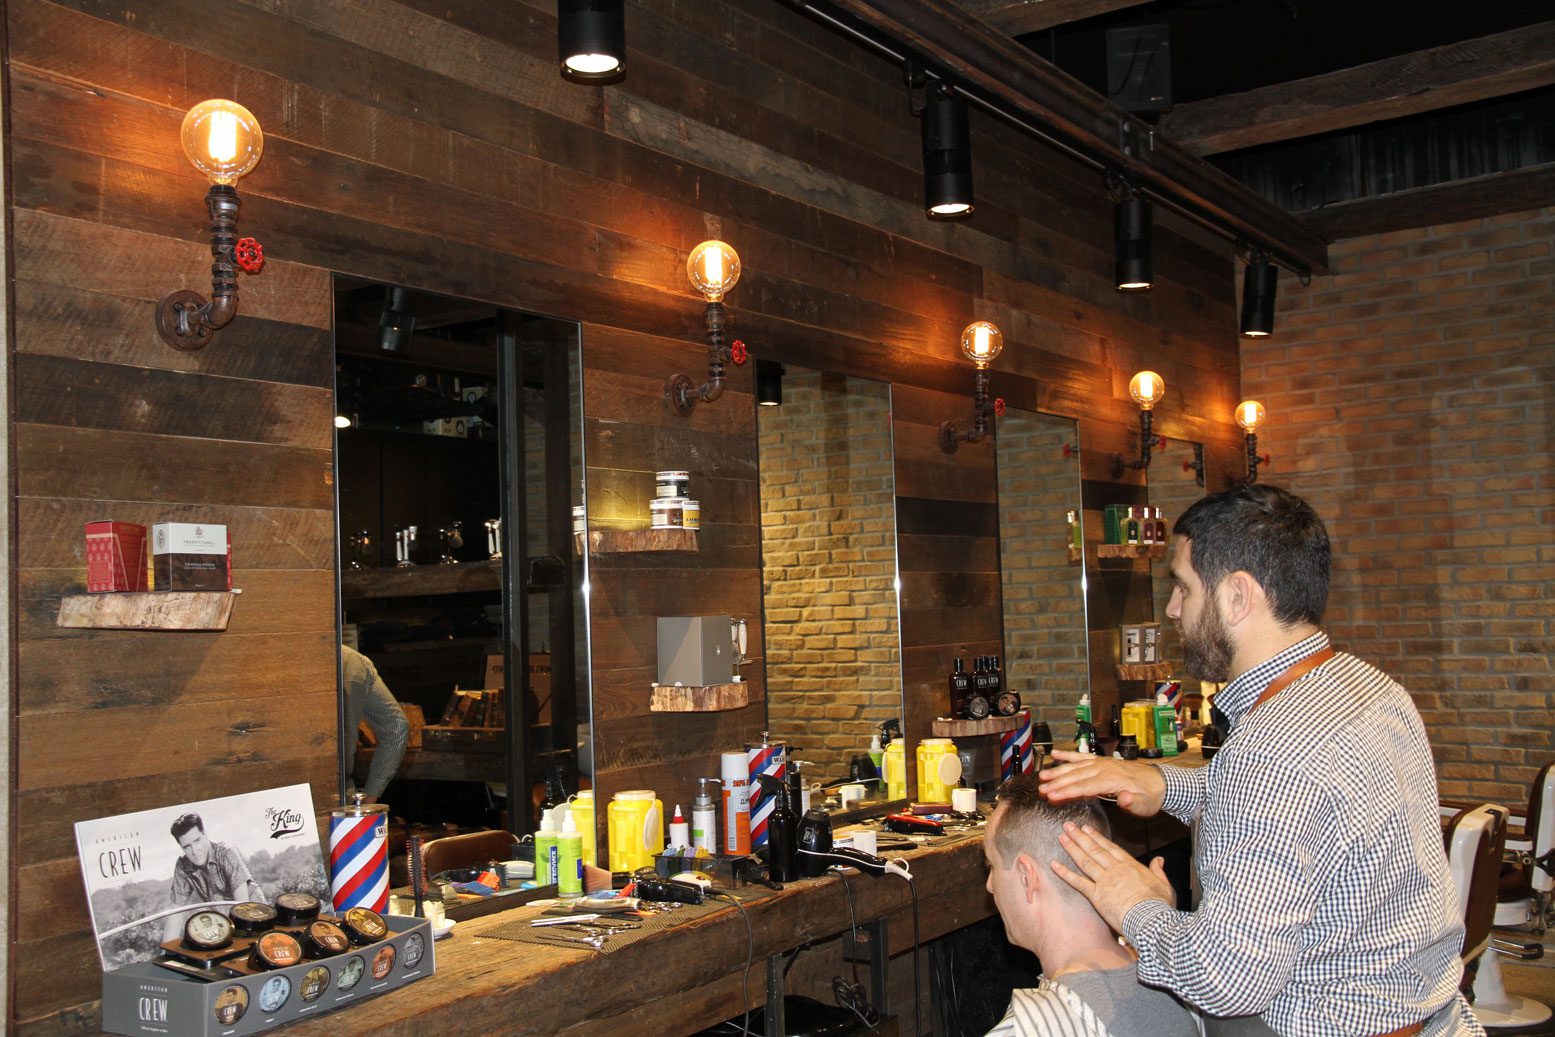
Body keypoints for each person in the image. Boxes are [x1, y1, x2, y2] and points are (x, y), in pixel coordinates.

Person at [1040, 484, 1481, 1036]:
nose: (1173, 609)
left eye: (1182, 587)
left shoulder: (1272, 751)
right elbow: (1306, 812)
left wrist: (1137, 907)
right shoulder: (1369, 688)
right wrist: (1160, 781)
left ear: (1237, 596)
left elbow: (1226, 978)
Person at [983, 773, 1198, 1037]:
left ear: (1027, 877)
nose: (990, 885)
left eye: (992, 865)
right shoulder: (1186, 981)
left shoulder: (1026, 1029)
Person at [161, 812, 267, 941]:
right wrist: (166, 952)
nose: (195, 851)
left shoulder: (227, 852)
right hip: (226, 924)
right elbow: (175, 915)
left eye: (197, 840)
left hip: (257, 920)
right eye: (187, 846)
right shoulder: (183, 866)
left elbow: (242, 907)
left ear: (204, 834)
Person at [342, 645, 409, 803]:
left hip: (281, 802)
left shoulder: (280, 658)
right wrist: (369, 799)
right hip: (341, 799)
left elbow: (396, 726)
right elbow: (397, 726)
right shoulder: (352, 660)